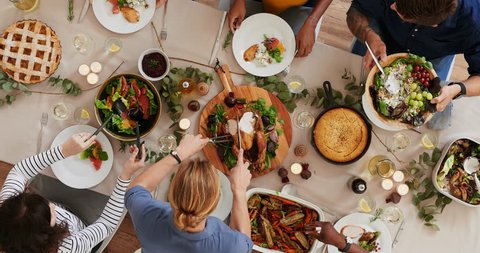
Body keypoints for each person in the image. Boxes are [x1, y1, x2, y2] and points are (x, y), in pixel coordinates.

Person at [0, 133, 145, 253]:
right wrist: (126, 174)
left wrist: (63, 150)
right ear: (47, 234)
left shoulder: (9, 211)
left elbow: (20, 171)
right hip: (84, 228)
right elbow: (106, 224)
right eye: (50, 211)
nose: (51, 205)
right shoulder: (67, 247)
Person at [346, 0, 480, 118]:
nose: (392, 6)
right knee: (352, 84)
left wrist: (458, 89)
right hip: (380, 34)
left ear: (433, 25)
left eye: (399, 9)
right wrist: (369, 35)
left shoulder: (474, 21)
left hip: (433, 57)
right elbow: (356, 11)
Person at [125, 134, 253, 253]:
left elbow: (134, 190)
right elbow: (244, 242)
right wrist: (239, 190)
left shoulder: (148, 216)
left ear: (172, 192)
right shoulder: (230, 245)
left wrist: (178, 154)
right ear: (216, 202)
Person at [227, 0, 333, 57]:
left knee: (292, 51)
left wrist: (312, 22)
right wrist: (238, 1)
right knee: (233, 37)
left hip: (299, 5)